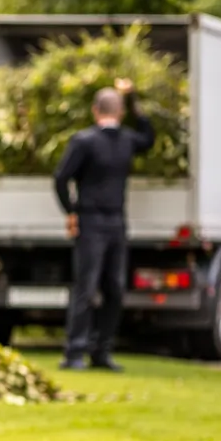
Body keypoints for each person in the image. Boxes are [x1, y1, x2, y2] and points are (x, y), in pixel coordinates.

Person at [53, 78, 155, 372]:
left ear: (94, 110)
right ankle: (80, 351)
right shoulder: (97, 140)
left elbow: (61, 178)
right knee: (109, 288)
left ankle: (93, 352)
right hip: (101, 221)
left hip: (101, 221)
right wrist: (134, 98)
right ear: (120, 112)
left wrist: (69, 211)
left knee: (94, 287)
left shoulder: (99, 140)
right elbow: (149, 135)